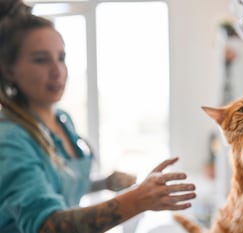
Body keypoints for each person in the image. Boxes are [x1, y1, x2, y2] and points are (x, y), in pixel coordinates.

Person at [0, 1, 196, 232]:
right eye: (41, 60)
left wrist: (105, 182)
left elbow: (58, 184)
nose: (57, 71)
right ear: (8, 69)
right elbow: (46, 225)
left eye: (61, 58)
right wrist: (136, 200)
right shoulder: (10, 138)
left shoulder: (61, 120)